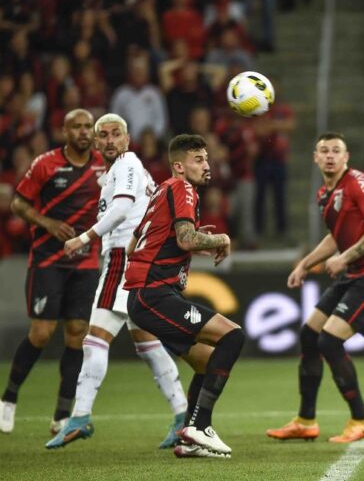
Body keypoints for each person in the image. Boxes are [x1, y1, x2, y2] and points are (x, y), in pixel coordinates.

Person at [46, 114, 187, 450]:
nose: (109, 140)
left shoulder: (126, 165)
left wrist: (84, 238)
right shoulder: (123, 170)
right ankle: (183, 415)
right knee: (147, 343)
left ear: (127, 139)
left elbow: (123, 207)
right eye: (103, 135)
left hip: (124, 260)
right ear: (96, 143)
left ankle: (79, 416)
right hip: (137, 261)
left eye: (116, 134)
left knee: (94, 339)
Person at [124, 134, 244, 459]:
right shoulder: (182, 188)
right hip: (155, 295)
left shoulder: (161, 191)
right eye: (198, 160)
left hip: (145, 296)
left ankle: (189, 440)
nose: (207, 165)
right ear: (179, 165)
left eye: (206, 158)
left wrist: (193, 246)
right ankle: (199, 426)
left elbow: (135, 245)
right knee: (232, 336)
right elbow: (186, 239)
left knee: (207, 363)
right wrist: (221, 237)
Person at [266, 132, 364, 443]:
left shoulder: (357, 182)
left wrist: (344, 258)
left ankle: (361, 418)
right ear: (316, 158)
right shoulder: (324, 193)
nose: (330, 155)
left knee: (329, 341)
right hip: (351, 274)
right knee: (309, 335)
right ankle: (306, 420)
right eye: (324, 151)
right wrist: (305, 264)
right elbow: (335, 237)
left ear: (346, 157)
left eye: (336, 151)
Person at [0, 109, 104, 434]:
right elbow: (18, 203)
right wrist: (47, 223)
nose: (84, 132)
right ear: (64, 131)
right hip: (47, 260)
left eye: (89, 127)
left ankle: (61, 415)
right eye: (77, 127)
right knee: (42, 333)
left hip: (86, 263)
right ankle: (8, 399)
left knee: (77, 335)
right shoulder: (46, 163)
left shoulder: (105, 165)